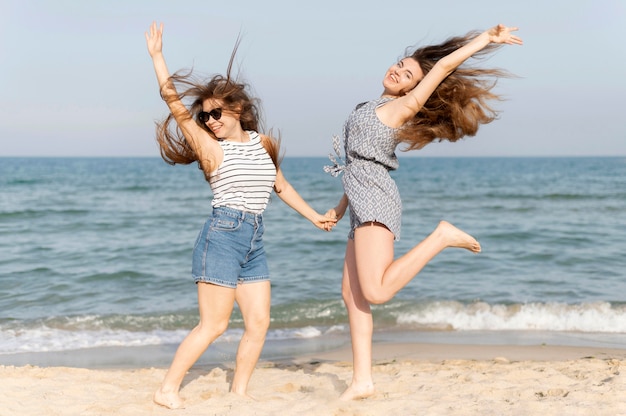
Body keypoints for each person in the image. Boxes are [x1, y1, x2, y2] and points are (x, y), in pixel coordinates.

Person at [324, 24, 523, 400]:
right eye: (399, 64)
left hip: (376, 199)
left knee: (376, 291)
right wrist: (339, 207)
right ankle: (362, 381)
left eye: (409, 75)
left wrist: (484, 39)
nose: (398, 71)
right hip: (360, 198)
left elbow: (444, 66)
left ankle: (441, 236)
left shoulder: (402, 107)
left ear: (412, 89)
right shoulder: (367, 106)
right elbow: (356, 164)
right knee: (352, 295)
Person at [145, 22, 336, 409]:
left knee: (259, 323)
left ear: (236, 109)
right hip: (223, 233)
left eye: (216, 113)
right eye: (205, 118)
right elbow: (174, 104)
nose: (210, 121)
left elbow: (280, 186)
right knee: (213, 325)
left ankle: (239, 391)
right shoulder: (208, 146)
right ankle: (167, 388)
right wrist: (158, 57)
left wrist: (315, 216)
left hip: (254, 238)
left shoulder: (261, 142)